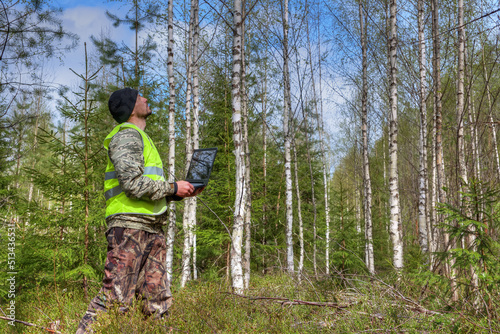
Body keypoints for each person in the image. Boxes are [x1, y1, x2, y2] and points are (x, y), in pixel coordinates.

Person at [76, 88, 202, 333]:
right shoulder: (127, 137)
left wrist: (176, 192)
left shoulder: (141, 138)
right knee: (114, 298)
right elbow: (132, 184)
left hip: (152, 229)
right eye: (140, 97)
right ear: (132, 107)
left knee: (157, 301)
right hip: (129, 229)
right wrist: (172, 186)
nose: (146, 98)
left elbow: (146, 187)